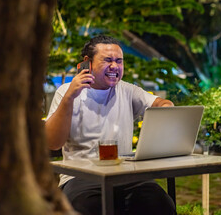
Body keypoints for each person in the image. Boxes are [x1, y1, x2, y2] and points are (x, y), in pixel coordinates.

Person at [45, 35, 176, 215]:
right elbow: (52, 143)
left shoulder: (127, 90)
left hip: (126, 174)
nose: (115, 66)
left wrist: (166, 107)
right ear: (87, 62)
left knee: (160, 204)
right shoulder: (66, 92)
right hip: (81, 177)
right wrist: (69, 98)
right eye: (108, 60)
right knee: (87, 207)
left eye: (119, 61)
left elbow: (161, 103)